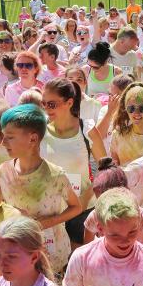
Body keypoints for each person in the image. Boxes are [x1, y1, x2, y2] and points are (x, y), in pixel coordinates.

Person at [0, 103, 80, 276]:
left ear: (33, 139)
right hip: (18, 252)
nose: (3, 142)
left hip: (51, 253)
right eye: (4, 136)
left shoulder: (55, 176)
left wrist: (45, 223)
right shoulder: (3, 171)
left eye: (10, 137)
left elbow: (76, 207)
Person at [39, 78, 97, 246]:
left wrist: (87, 196)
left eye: (52, 104)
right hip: (51, 210)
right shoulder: (40, 130)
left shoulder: (87, 128)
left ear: (69, 102)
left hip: (83, 209)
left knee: (79, 263)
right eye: (44, 104)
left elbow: (105, 168)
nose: (46, 108)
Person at [110, 83, 143, 166]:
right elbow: (115, 167)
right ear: (126, 109)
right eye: (131, 108)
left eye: (142, 108)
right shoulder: (118, 135)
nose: (136, 113)